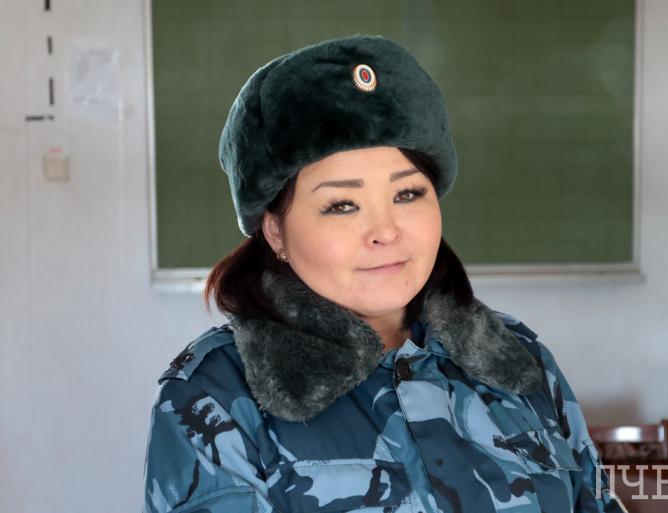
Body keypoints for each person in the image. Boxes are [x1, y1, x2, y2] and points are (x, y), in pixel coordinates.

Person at [142, 35, 627, 513]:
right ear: (275, 231)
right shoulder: (214, 394)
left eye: (408, 194)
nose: (386, 231)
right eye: (342, 205)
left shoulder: (517, 356)